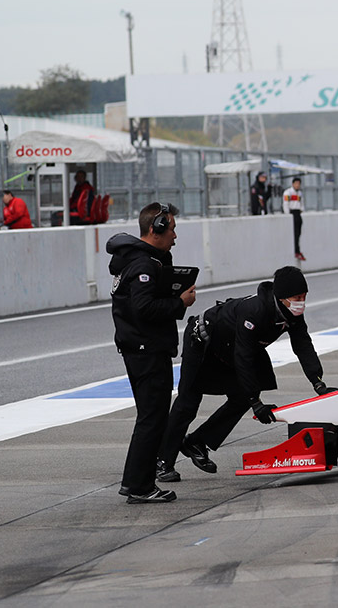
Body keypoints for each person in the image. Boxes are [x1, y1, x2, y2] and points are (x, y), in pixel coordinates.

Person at [157, 266, 334, 479]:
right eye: (297, 297)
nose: (302, 302)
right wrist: (255, 401)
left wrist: (318, 383)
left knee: (242, 397)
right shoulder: (255, 312)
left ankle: (197, 442)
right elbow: (244, 357)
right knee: (188, 402)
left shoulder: (292, 315)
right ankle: (162, 461)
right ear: (282, 297)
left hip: (228, 348)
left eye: (304, 296)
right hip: (202, 340)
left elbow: (303, 346)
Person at [108, 202, 196, 504]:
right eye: (171, 229)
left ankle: (136, 483)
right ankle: (139, 486)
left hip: (142, 347)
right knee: (152, 418)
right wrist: (180, 303)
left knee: (151, 417)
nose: (175, 236)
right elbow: (143, 308)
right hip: (146, 350)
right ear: (155, 229)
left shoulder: (141, 260)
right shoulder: (143, 265)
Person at [281, 178, 305, 261]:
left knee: (298, 232)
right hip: (292, 212)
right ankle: (296, 250)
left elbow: (302, 204)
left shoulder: (300, 193)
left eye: (299, 184)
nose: (297, 185)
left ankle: (298, 250)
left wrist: (302, 210)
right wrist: (287, 214)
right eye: (296, 183)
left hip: (298, 212)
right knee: (294, 233)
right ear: (293, 184)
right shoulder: (288, 193)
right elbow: (285, 204)